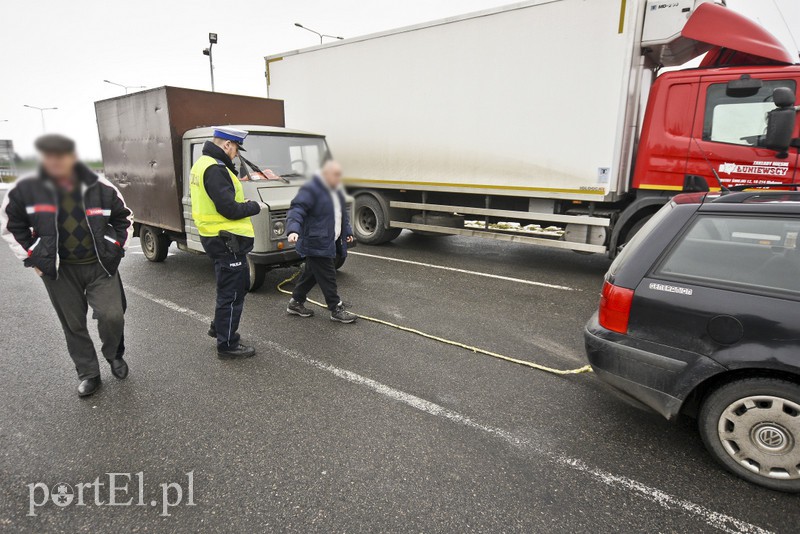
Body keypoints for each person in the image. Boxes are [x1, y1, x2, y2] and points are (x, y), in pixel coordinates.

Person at [0, 134, 133, 397]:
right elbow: (11, 226)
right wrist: (32, 257)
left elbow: (125, 219)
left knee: (112, 315)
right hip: (60, 271)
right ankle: (89, 373)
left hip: (100, 267)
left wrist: (116, 248)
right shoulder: (25, 189)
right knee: (73, 324)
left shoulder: (100, 186)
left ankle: (113, 354)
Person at [189, 127, 266, 359]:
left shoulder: (205, 164)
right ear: (227, 145)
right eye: (235, 149)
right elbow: (229, 208)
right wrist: (253, 206)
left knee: (238, 284)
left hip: (219, 238)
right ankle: (227, 344)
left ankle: (219, 326)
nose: (235, 154)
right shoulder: (214, 169)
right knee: (231, 292)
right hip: (225, 240)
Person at [286, 160, 357, 324]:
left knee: (311, 273)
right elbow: (297, 209)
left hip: (328, 240)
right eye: (336, 175)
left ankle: (295, 302)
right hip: (316, 241)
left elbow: (341, 214)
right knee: (328, 275)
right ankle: (335, 308)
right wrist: (293, 230)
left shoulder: (335, 190)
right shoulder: (311, 190)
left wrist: (347, 232)